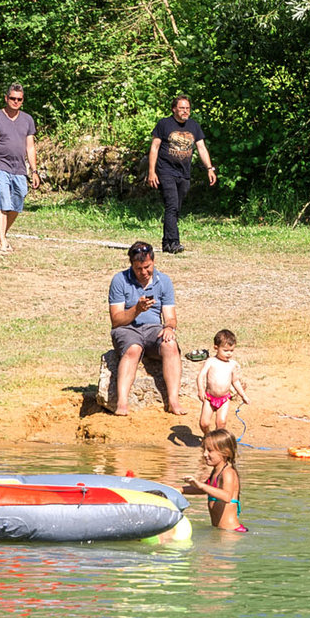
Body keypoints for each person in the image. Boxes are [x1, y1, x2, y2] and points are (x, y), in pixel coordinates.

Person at [107, 240, 185, 415]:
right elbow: (116, 320)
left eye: (147, 267)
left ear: (153, 262)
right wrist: (136, 310)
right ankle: (122, 403)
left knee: (170, 345)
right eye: (138, 268)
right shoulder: (120, 280)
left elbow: (170, 316)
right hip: (127, 329)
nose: (143, 272)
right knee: (133, 349)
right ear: (132, 265)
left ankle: (173, 401)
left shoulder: (163, 281)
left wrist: (170, 328)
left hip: (153, 329)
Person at [146, 95, 217, 255]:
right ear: (174, 109)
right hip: (165, 171)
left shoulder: (194, 126)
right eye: (182, 108)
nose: (185, 111)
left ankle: (166, 242)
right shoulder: (164, 124)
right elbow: (154, 148)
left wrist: (210, 168)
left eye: (187, 108)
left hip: (184, 173)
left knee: (175, 208)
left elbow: (202, 148)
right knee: (171, 205)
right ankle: (174, 243)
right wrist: (151, 172)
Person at [0, 84, 36, 255]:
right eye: (12, 98)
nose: (15, 101)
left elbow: (30, 147)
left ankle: (1, 234)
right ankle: (3, 243)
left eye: (19, 99)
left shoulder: (27, 120)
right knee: (3, 199)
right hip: (0, 165)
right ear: (6, 98)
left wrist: (34, 171)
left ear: (22, 100)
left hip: (19, 168)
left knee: (17, 202)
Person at [183, 428, 246, 532]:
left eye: (210, 450)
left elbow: (226, 496)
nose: (204, 454)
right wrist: (178, 489)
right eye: (204, 449)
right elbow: (204, 489)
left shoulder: (228, 472)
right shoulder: (216, 471)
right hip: (220, 531)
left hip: (231, 532)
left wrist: (201, 485)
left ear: (225, 452)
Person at [196, 328, 248, 433]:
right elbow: (200, 376)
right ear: (216, 347)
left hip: (224, 399)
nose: (229, 353)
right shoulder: (211, 361)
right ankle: (208, 436)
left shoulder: (232, 364)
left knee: (221, 422)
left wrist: (243, 395)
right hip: (209, 398)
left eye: (231, 350)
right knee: (204, 423)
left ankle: (218, 440)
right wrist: (201, 390)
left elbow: (235, 381)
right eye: (225, 350)